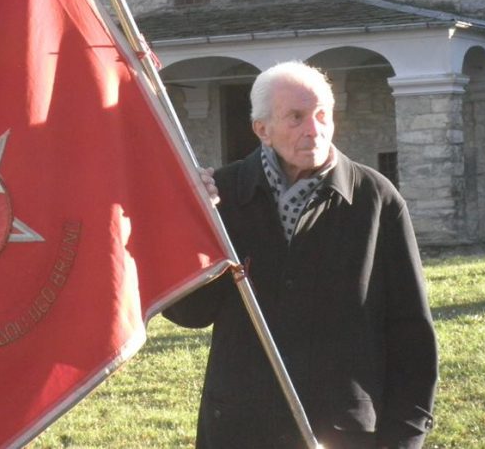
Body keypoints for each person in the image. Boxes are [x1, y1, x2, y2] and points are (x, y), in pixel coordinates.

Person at [164, 61, 438, 449]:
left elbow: (411, 332)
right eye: (296, 117)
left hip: (345, 431)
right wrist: (190, 227)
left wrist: (406, 438)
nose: (314, 129)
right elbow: (189, 313)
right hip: (240, 429)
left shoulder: (375, 199)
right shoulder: (223, 195)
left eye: (322, 114)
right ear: (262, 129)